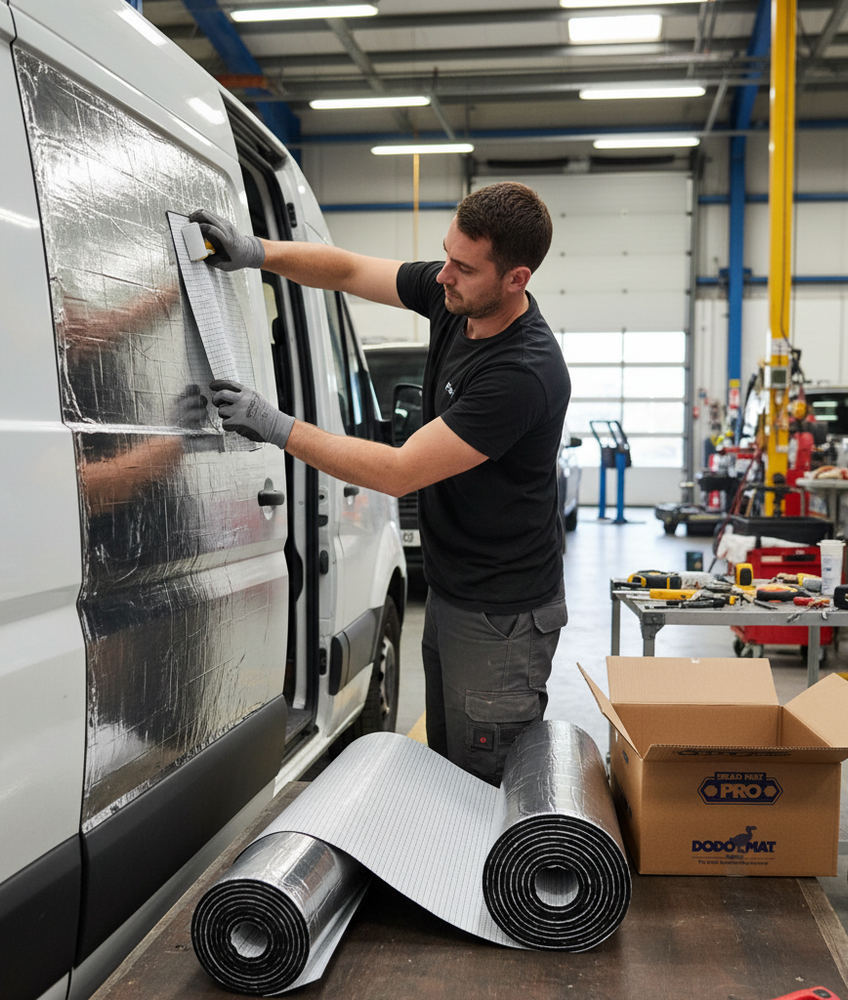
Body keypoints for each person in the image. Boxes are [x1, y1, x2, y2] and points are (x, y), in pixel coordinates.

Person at [191, 181, 570, 785]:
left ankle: (484, 882)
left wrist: (276, 425)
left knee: (486, 780)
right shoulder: (458, 298)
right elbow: (347, 269)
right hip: (455, 590)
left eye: (463, 267)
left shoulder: (524, 372)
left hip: (503, 616)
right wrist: (256, 252)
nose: (443, 275)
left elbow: (398, 472)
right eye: (446, 255)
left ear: (515, 279)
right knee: (452, 766)